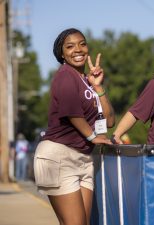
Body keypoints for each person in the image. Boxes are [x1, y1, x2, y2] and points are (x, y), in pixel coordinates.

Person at [33, 28, 115, 225]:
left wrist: (98, 87)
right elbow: (71, 113)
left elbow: (110, 121)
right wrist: (92, 137)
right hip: (59, 156)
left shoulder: (87, 81)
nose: (78, 49)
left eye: (82, 44)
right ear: (62, 53)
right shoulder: (65, 75)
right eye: (70, 46)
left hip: (84, 159)